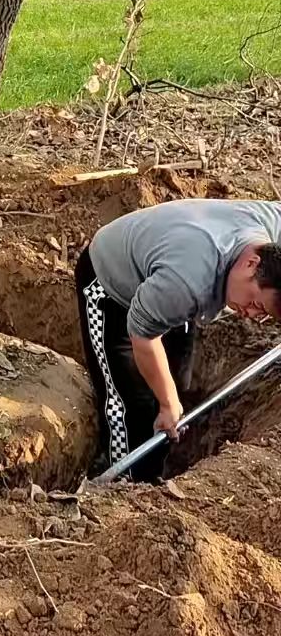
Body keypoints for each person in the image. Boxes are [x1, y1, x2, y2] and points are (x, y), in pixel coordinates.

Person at [75, 198, 281, 481]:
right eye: (256, 304)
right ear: (251, 263)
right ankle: (123, 482)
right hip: (111, 285)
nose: (251, 315)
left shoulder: (271, 229)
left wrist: (171, 399)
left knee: (176, 383)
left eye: (264, 314)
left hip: (166, 278)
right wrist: (168, 402)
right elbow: (142, 333)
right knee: (130, 402)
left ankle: (158, 467)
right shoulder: (188, 282)